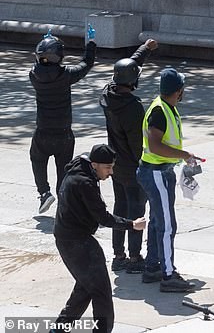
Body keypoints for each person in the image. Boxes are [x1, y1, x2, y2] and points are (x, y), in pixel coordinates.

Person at [52, 144, 147, 333]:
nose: (111, 172)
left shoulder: (80, 168)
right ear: (94, 164)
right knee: (102, 293)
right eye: (108, 168)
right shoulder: (84, 183)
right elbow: (103, 218)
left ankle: (59, 330)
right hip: (77, 242)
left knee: (85, 288)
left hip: (68, 238)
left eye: (112, 167)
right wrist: (132, 224)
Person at [136, 67, 200, 291]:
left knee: (157, 221)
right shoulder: (160, 111)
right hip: (156, 173)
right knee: (167, 225)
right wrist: (184, 155)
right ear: (179, 91)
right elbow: (154, 145)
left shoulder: (165, 107)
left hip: (159, 171)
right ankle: (168, 274)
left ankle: (153, 266)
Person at [100, 38, 158, 273]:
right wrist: (146, 165)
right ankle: (135, 258)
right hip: (133, 167)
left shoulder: (107, 94)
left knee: (120, 208)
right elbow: (137, 144)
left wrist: (145, 49)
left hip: (115, 166)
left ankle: (118, 255)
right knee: (136, 211)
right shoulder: (133, 108)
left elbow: (127, 67)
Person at [30, 31, 97, 214]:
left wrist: (45, 43)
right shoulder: (66, 75)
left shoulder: (34, 76)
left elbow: (39, 64)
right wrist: (90, 43)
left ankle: (44, 192)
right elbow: (86, 64)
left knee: (37, 159)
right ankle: (64, 200)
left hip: (43, 130)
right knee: (63, 168)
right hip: (64, 132)